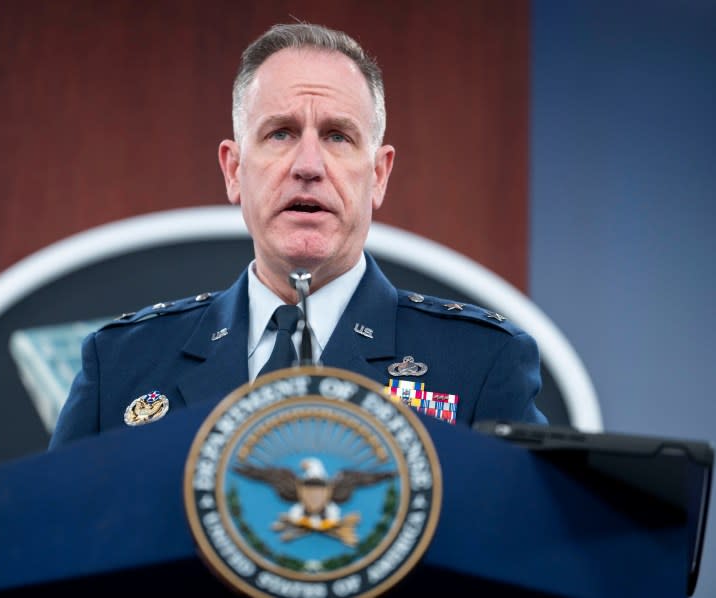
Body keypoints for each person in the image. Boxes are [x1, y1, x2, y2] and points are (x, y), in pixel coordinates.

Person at [49, 22, 547, 449]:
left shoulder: (481, 363)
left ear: (378, 174)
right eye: (280, 133)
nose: (308, 166)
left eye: (337, 136)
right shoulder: (120, 364)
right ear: (234, 169)